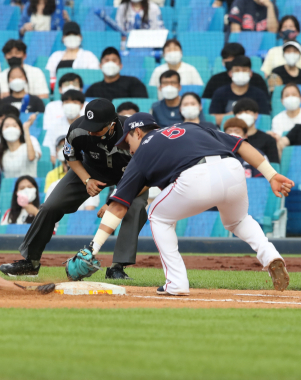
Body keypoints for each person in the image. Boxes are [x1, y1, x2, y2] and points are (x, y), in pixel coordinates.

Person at [68, 112, 292, 295]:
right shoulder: (189, 127)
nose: (129, 150)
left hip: (196, 177)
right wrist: (271, 175)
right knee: (239, 220)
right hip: (233, 170)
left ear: (137, 132)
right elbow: (241, 145)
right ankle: (270, 255)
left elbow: (118, 206)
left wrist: (92, 248)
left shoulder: (144, 148)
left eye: (127, 143)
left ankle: (176, 283)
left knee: (157, 214)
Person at [0, 99, 148, 280]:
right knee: (50, 206)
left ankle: (117, 267)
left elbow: (146, 175)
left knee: (135, 207)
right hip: (91, 169)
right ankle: (30, 262)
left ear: (112, 124)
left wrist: (114, 200)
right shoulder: (78, 129)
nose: (91, 131)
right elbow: (71, 157)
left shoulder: (133, 132)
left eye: (97, 127)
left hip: (131, 175)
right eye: (89, 125)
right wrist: (87, 180)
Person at [209, 56, 271, 125]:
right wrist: (234, 115)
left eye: (244, 70)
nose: (240, 73)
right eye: (237, 70)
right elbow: (213, 119)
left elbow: (264, 119)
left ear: (250, 73)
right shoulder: (220, 93)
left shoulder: (259, 94)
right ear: (230, 73)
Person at [45, 22, 99, 90]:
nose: (71, 37)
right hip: (60, 91)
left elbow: (94, 77)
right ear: (63, 38)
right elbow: (49, 76)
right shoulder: (55, 55)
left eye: (74, 34)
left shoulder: (88, 56)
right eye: (68, 35)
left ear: (80, 37)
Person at [203, 43, 269, 98]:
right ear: (223, 61)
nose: (232, 63)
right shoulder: (216, 80)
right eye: (229, 60)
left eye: (235, 60)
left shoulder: (257, 79)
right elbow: (206, 101)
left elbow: (266, 102)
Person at [42, 89, 85, 164]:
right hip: (60, 166)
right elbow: (50, 153)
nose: (71, 106)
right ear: (62, 105)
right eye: (67, 102)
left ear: (82, 106)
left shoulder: (89, 125)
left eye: (74, 102)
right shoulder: (54, 125)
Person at [232, 98, 279, 163]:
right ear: (235, 117)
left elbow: (274, 166)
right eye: (240, 113)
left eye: (247, 112)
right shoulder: (231, 140)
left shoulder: (268, 140)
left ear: (256, 115)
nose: (243, 115)